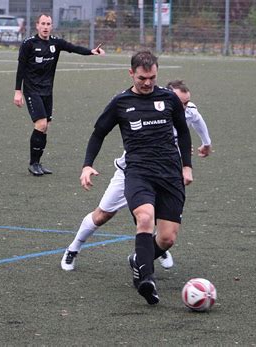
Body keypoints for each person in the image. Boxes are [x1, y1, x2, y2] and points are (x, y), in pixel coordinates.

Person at [79, 51, 193, 305]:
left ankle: (139, 259)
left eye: (152, 77)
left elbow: (184, 133)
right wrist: (87, 165)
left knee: (167, 238)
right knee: (144, 217)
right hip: (139, 172)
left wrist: (187, 167)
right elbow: (98, 133)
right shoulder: (121, 102)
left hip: (170, 174)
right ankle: (146, 280)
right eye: (142, 77)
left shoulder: (169, 99)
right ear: (131, 73)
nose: (148, 82)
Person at [61, 79, 212, 272]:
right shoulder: (151, 108)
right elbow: (102, 133)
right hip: (132, 172)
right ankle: (73, 248)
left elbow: (196, 121)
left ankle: (153, 250)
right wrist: (87, 165)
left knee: (155, 218)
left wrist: (205, 143)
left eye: (185, 103)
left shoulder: (185, 110)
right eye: (180, 102)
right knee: (102, 214)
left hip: (164, 174)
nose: (184, 107)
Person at [13, 13, 105, 176]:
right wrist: (18, 91)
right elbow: (21, 68)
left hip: (47, 91)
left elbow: (73, 48)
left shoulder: (56, 42)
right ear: (37, 25)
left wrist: (91, 51)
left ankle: (38, 163)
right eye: (43, 23)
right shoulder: (29, 44)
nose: (46, 27)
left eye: (48, 24)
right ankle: (33, 163)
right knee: (40, 124)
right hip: (31, 90)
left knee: (45, 127)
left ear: (51, 26)